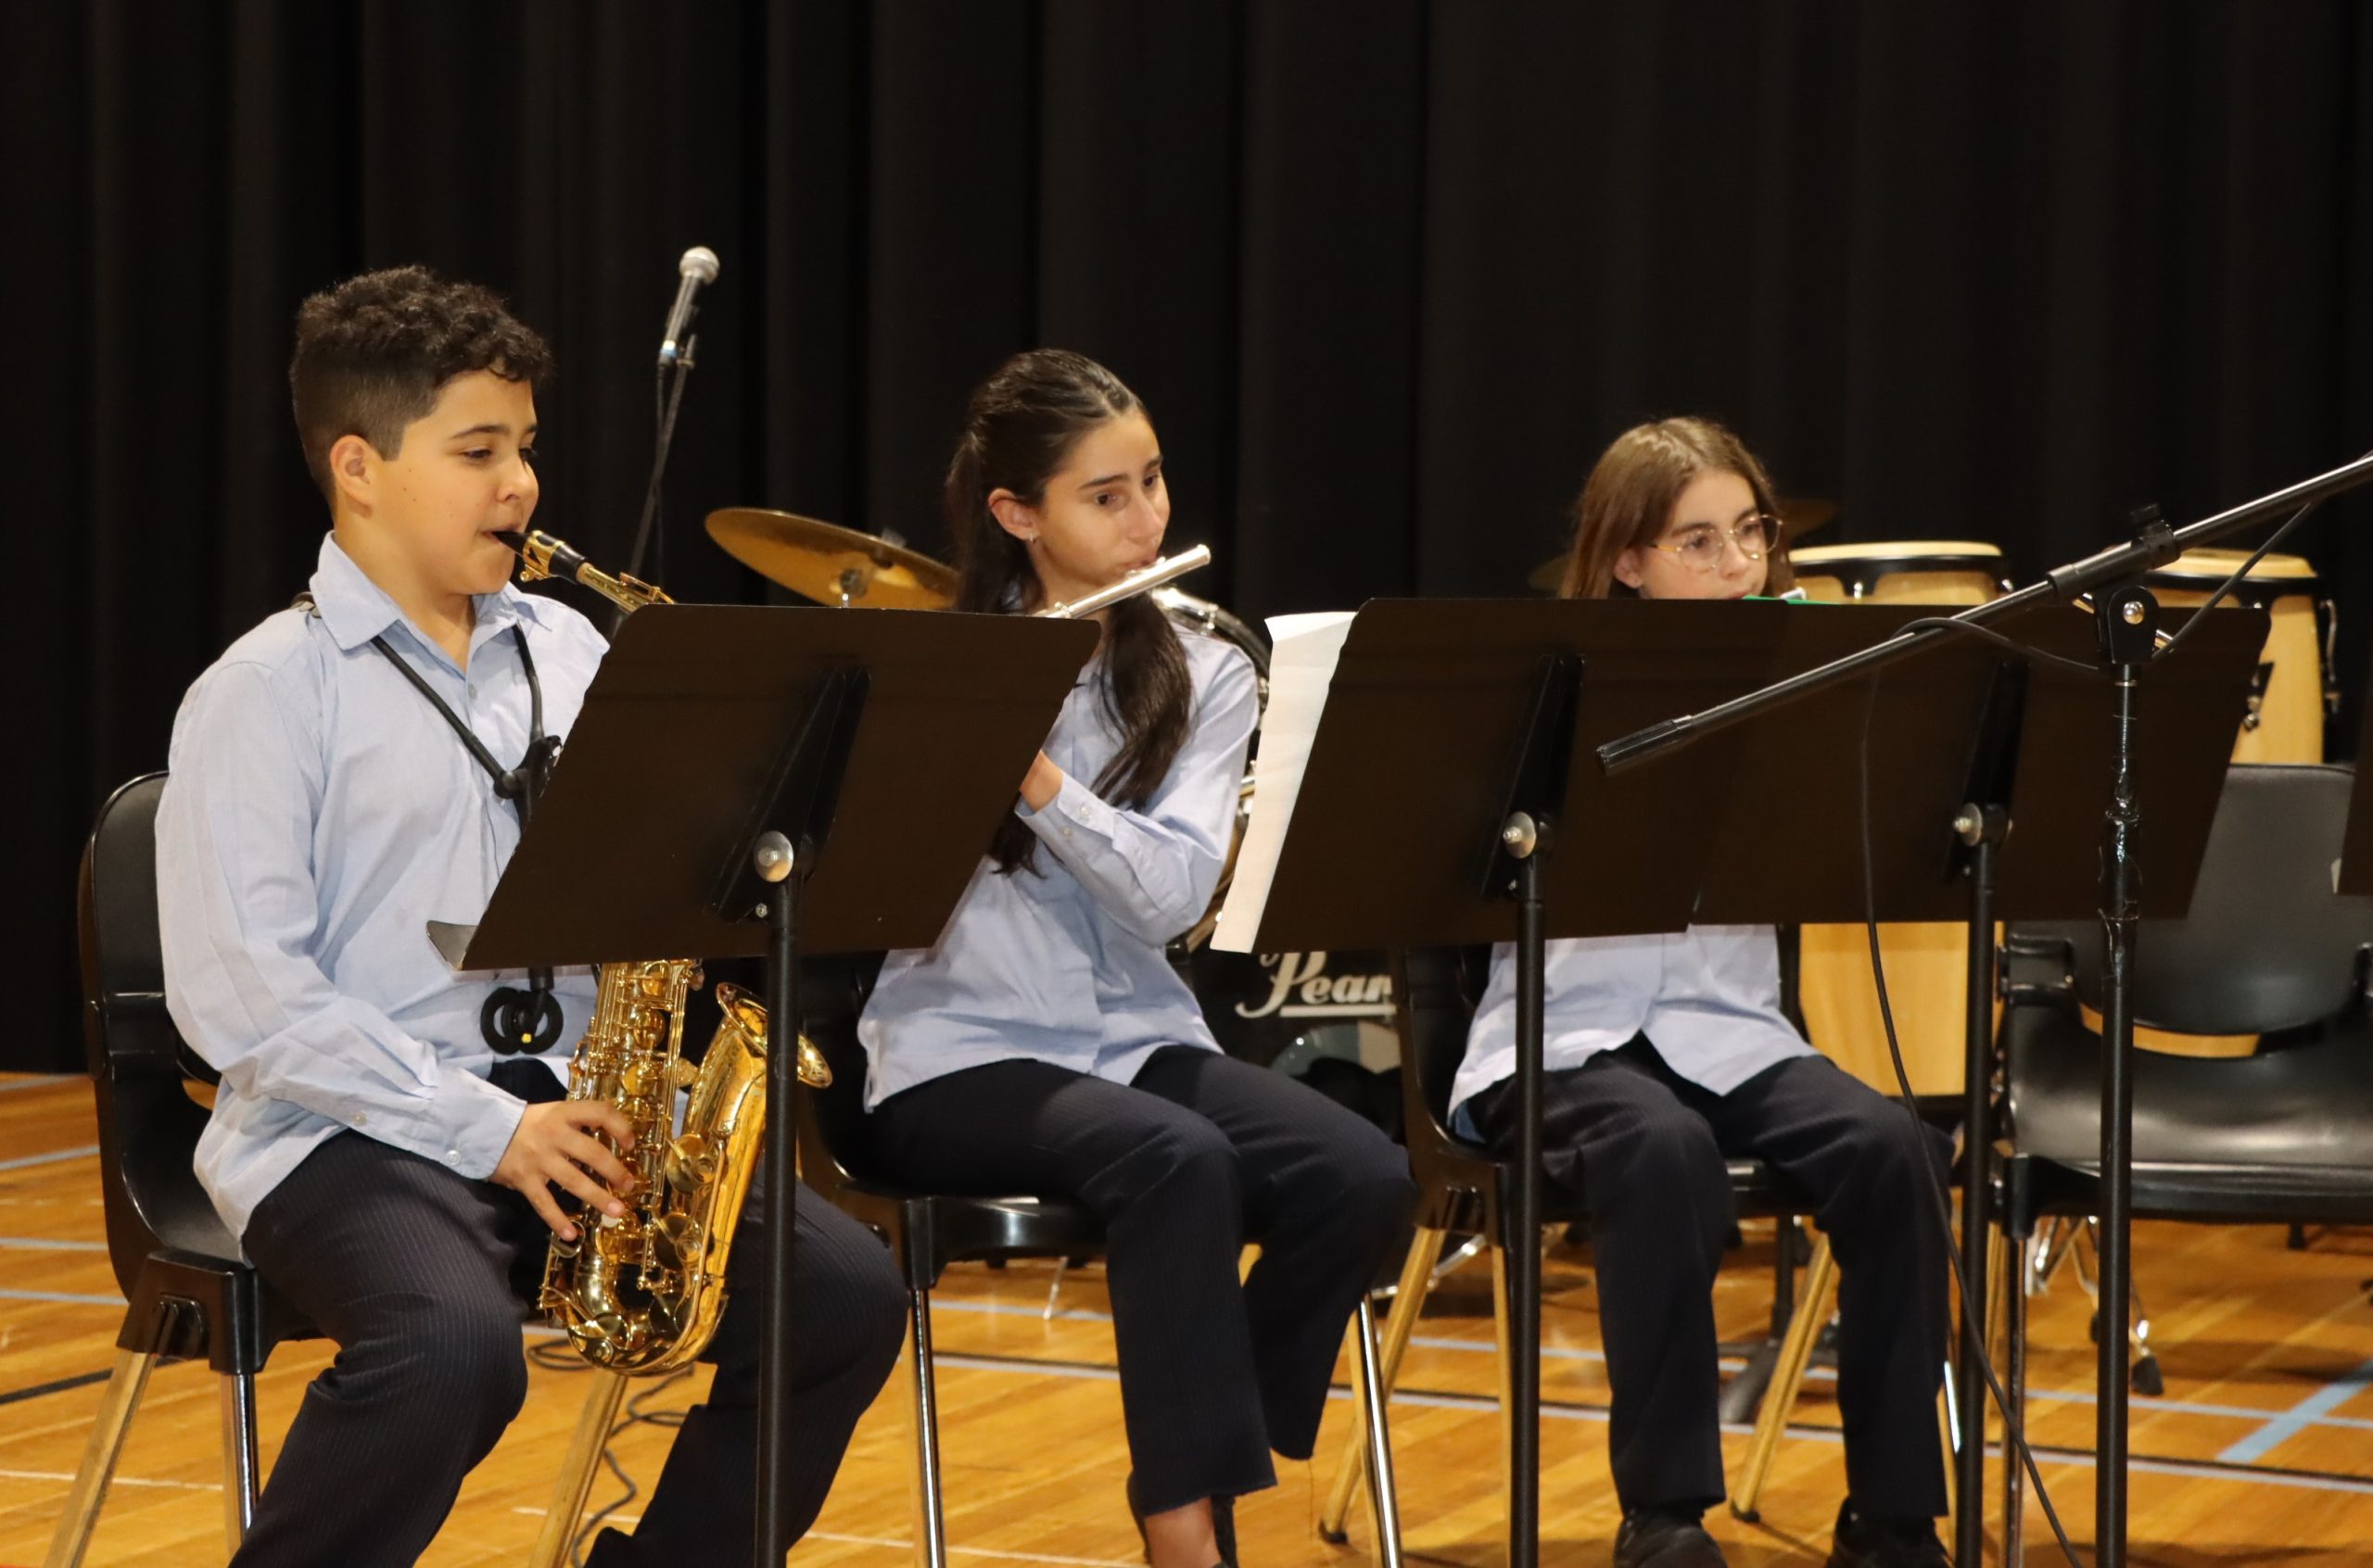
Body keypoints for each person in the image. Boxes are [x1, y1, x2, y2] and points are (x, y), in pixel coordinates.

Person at [156, 265, 905, 1567]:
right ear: (359, 468)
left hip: (567, 1108)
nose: (522, 486)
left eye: (527, 448)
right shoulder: (263, 692)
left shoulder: (573, 649)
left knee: (843, 1297)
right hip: (345, 1130)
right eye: (479, 452)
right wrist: (491, 1130)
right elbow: (247, 1003)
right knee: (450, 1352)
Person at [855, 348, 1417, 1568]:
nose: (1146, 519)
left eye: (1151, 482)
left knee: (1364, 1176)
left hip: (1138, 1039)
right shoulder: (932, 673)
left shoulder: (1206, 675)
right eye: (1105, 497)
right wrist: (962, 720)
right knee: (1178, 1159)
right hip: (959, 1050)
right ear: (1018, 515)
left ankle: (1197, 1446)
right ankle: (1185, 1528)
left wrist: (1037, 776)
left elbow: (1170, 899)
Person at [1453, 417, 1952, 1568]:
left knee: (1896, 1150)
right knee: (1660, 1148)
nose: (1737, 564)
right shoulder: (1546, 688)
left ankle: (1893, 1518)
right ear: (1628, 561)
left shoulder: (1796, 689)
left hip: (1733, 1035)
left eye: (1749, 534)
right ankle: (1665, 1516)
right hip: (1561, 1042)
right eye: (1698, 542)